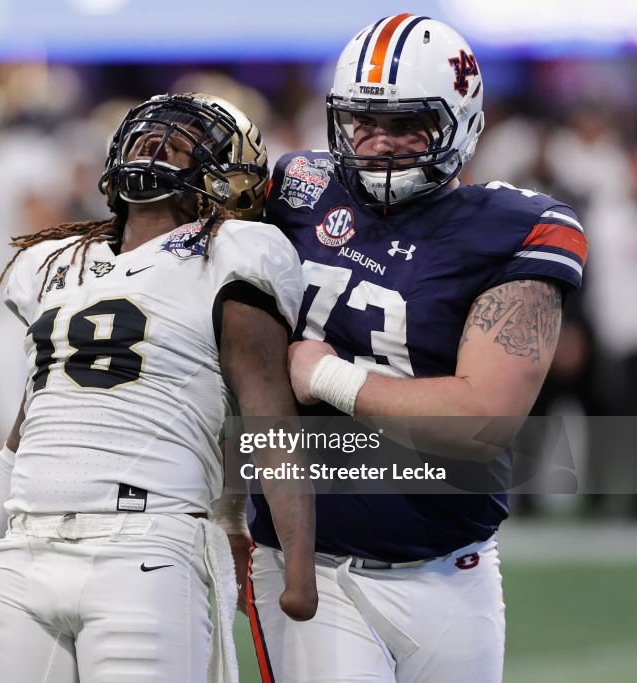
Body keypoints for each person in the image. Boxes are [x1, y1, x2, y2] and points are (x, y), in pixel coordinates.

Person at [0, 92, 318, 681]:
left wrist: (291, 563)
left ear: (229, 182)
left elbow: (267, 423)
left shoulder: (236, 252)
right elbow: (15, 461)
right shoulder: (58, 263)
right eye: (147, 133)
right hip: (21, 554)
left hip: (145, 548)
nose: (156, 143)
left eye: (182, 139)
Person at [237, 15, 587, 683]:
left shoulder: (515, 227)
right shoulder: (294, 190)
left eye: (405, 124)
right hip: (316, 564)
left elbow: (483, 418)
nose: (377, 142)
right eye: (362, 120)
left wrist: (329, 377)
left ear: (462, 122)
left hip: (456, 567)